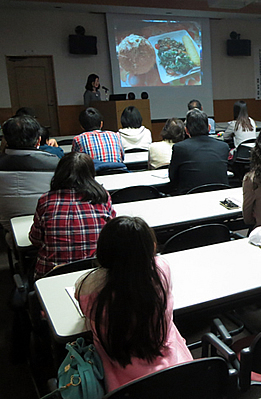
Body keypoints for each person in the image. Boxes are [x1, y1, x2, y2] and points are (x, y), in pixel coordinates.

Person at [75, 216, 193, 392]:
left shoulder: (88, 285)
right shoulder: (162, 270)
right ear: (149, 247)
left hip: (122, 379)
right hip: (173, 367)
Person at [29, 152, 115, 278]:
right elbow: (112, 232)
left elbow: (35, 239)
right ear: (91, 174)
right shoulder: (102, 197)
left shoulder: (46, 200)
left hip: (53, 275)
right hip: (94, 273)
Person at [0, 116, 59, 234]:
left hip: (6, 224)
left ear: (5, 140)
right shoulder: (54, 163)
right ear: (38, 140)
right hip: (48, 223)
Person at [169, 108, 229, 194]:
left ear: (186, 130)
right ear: (209, 128)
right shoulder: (223, 147)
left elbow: (173, 177)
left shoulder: (180, 148)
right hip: (220, 196)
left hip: (190, 199)